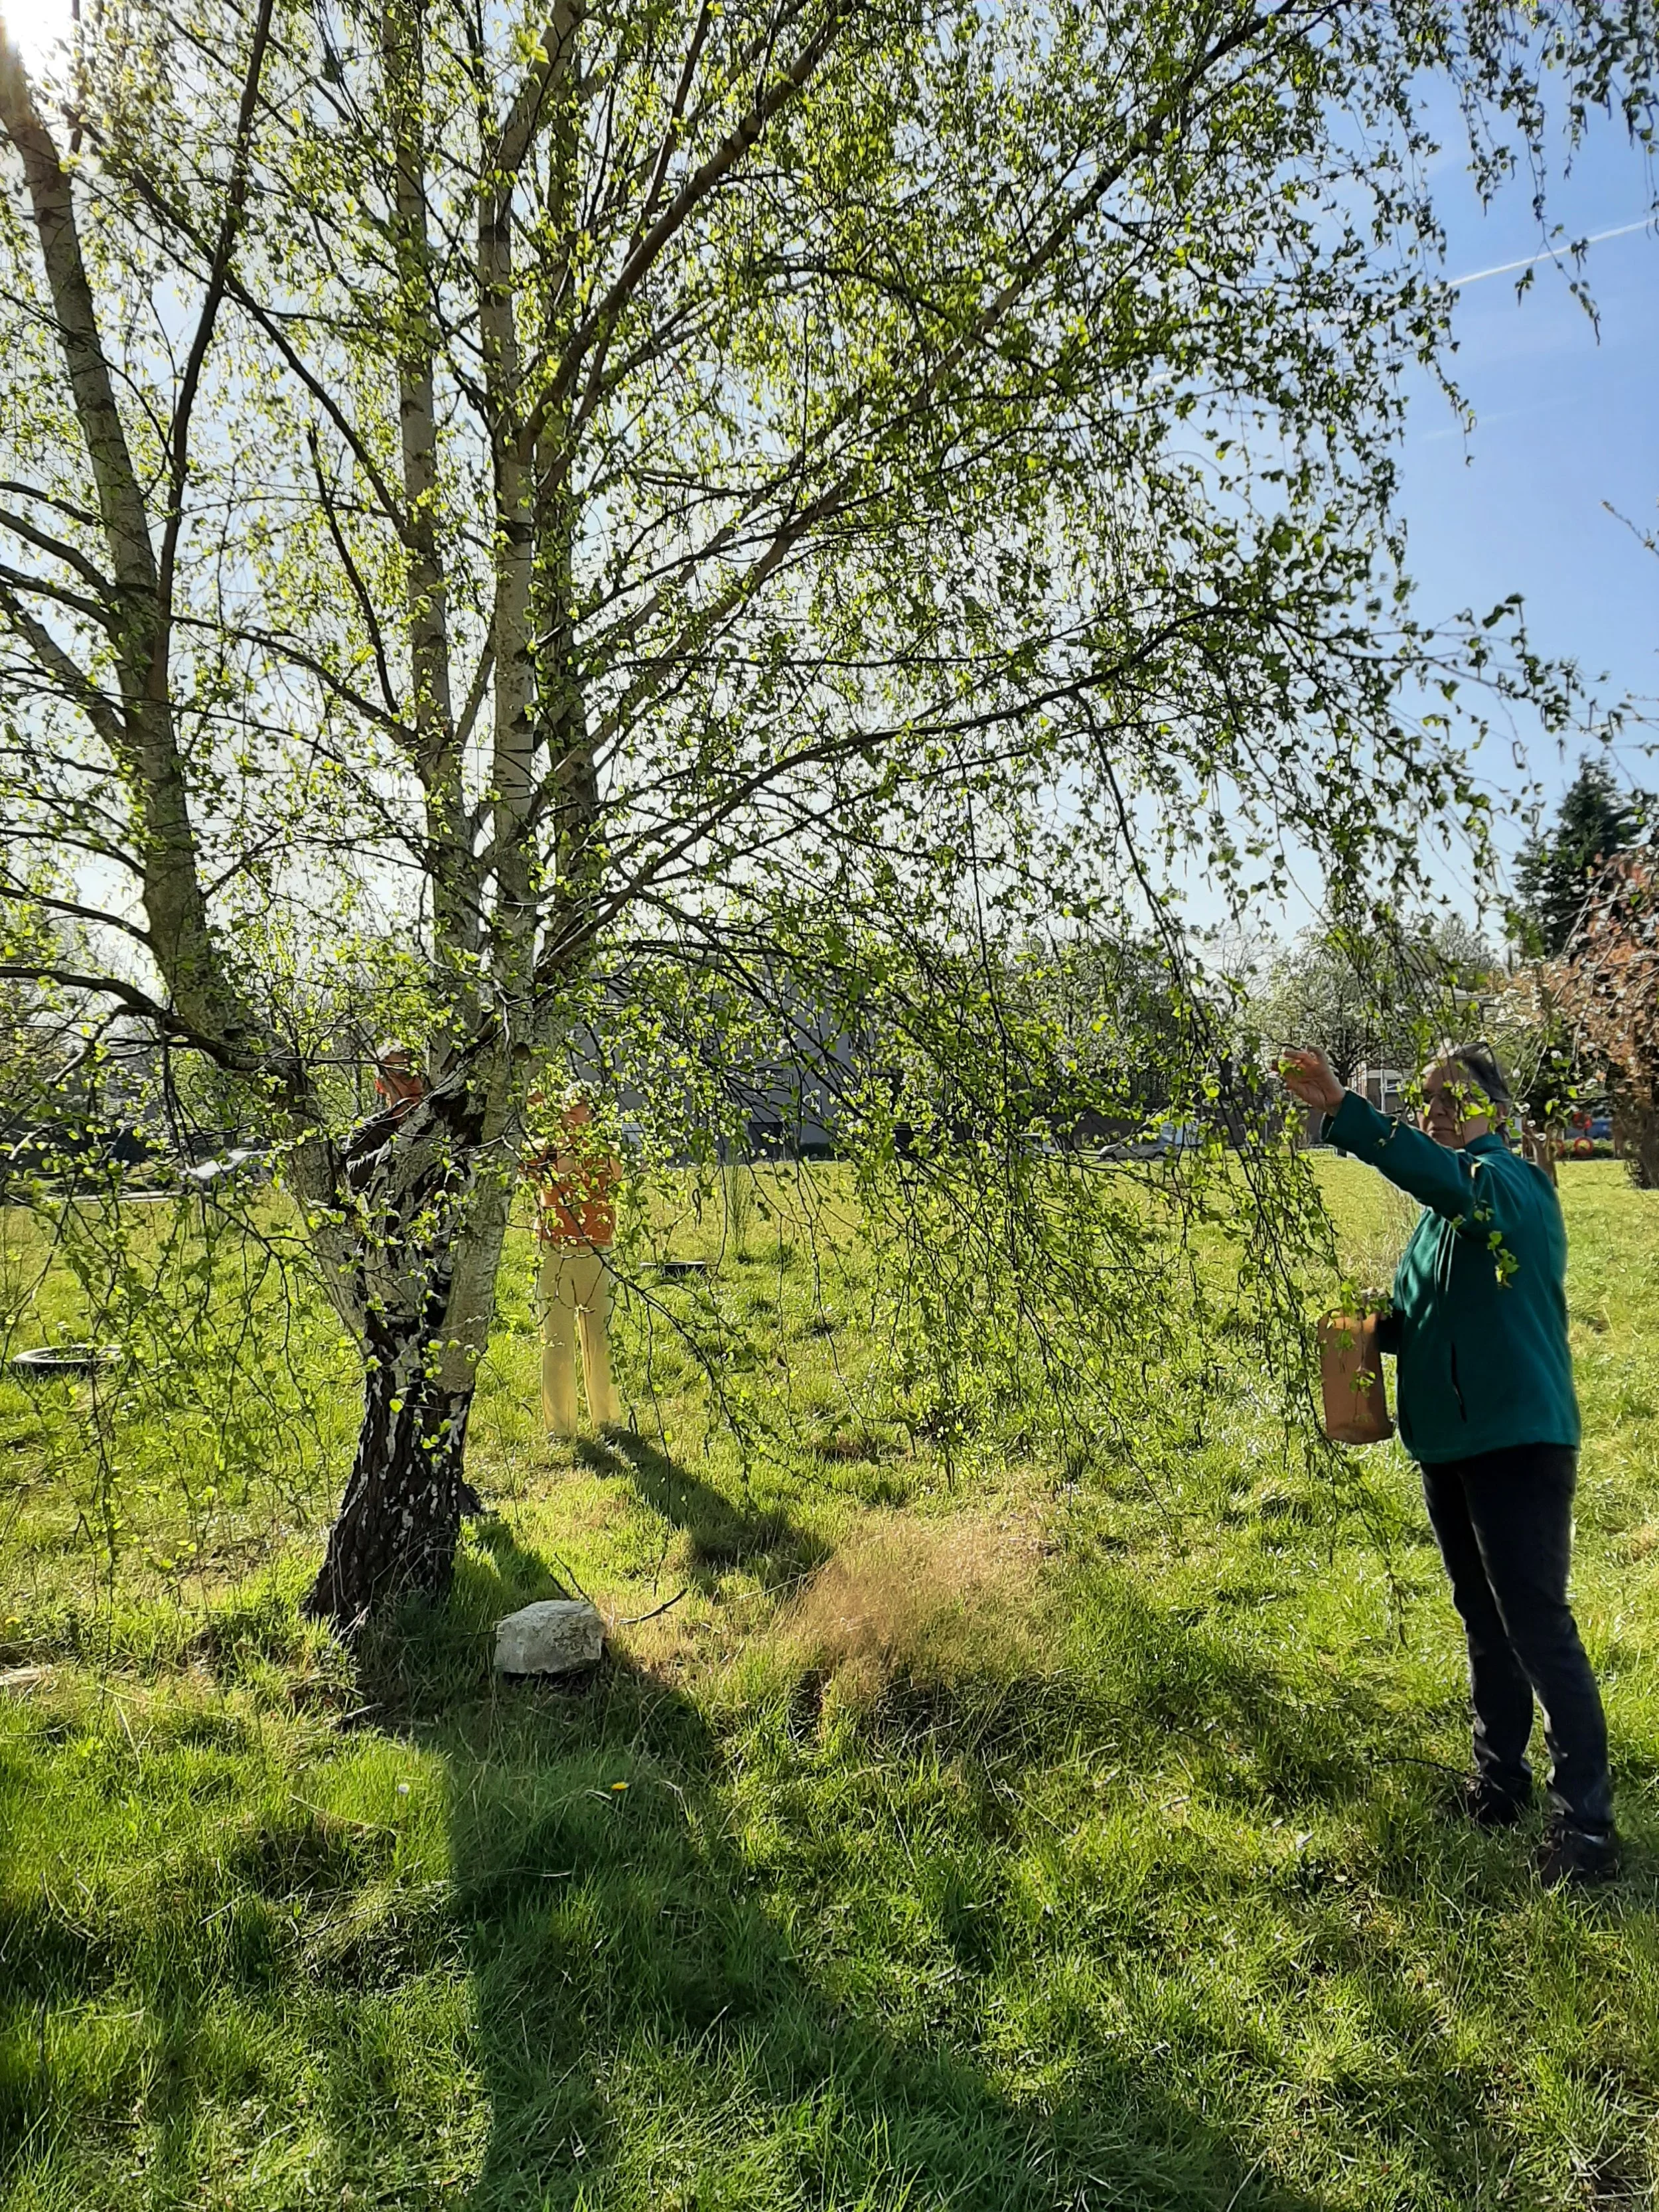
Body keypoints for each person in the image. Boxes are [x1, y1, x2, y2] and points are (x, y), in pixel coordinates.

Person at [1280, 1041, 1618, 1887]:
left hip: (1515, 1443)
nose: (1433, 1108)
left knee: (1535, 1625)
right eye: (1425, 1097)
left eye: (1451, 1097)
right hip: (1454, 1443)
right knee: (1483, 1617)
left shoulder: (1506, 1184)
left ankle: (1586, 1831)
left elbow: (1446, 1182)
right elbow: (1435, 1309)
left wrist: (1346, 1115)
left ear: (1494, 1110)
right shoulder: (1445, 1218)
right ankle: (1498, 1784)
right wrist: (1374, 1328)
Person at [525, 1090, 622, 1440]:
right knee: (557, 1340)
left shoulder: (605, 1151)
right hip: (554, 1250)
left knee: (599, 1338)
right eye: (572, 1117)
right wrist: (559, 1152)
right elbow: (527, 1170)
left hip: (596, 1249)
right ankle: (561, 1429)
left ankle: (609, 1421)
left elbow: (615, 1175)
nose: (579, 1124)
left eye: (585, 1117)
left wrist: (582, 1156)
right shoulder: (543, 1151)